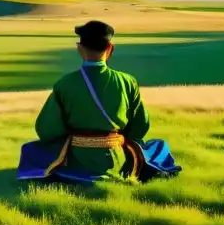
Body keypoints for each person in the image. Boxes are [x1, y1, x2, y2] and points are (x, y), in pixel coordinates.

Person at [16, 20, 180, 184]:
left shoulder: (65, 84)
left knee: (31, 150)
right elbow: (140, 126)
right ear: (110, 48)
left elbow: (46, 129)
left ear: (79, 49)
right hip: (118, 157)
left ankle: (72, 173)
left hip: (78, 158)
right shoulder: (128, 81)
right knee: (158, 146)